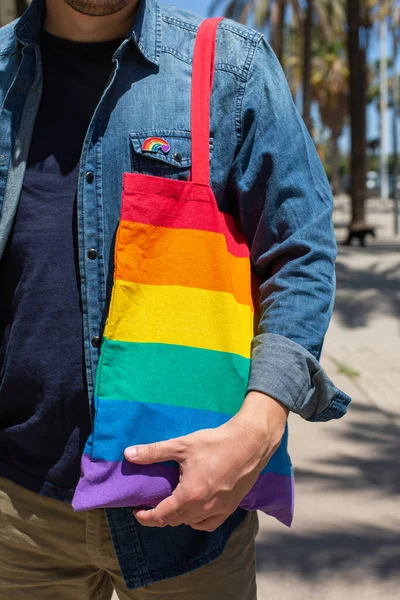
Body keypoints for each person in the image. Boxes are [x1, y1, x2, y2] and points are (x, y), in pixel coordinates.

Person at [0, 1, 351, 598]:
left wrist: (259, 429)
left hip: (195, 509)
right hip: (17, 517)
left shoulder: (229, 67)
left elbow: (301, 252)